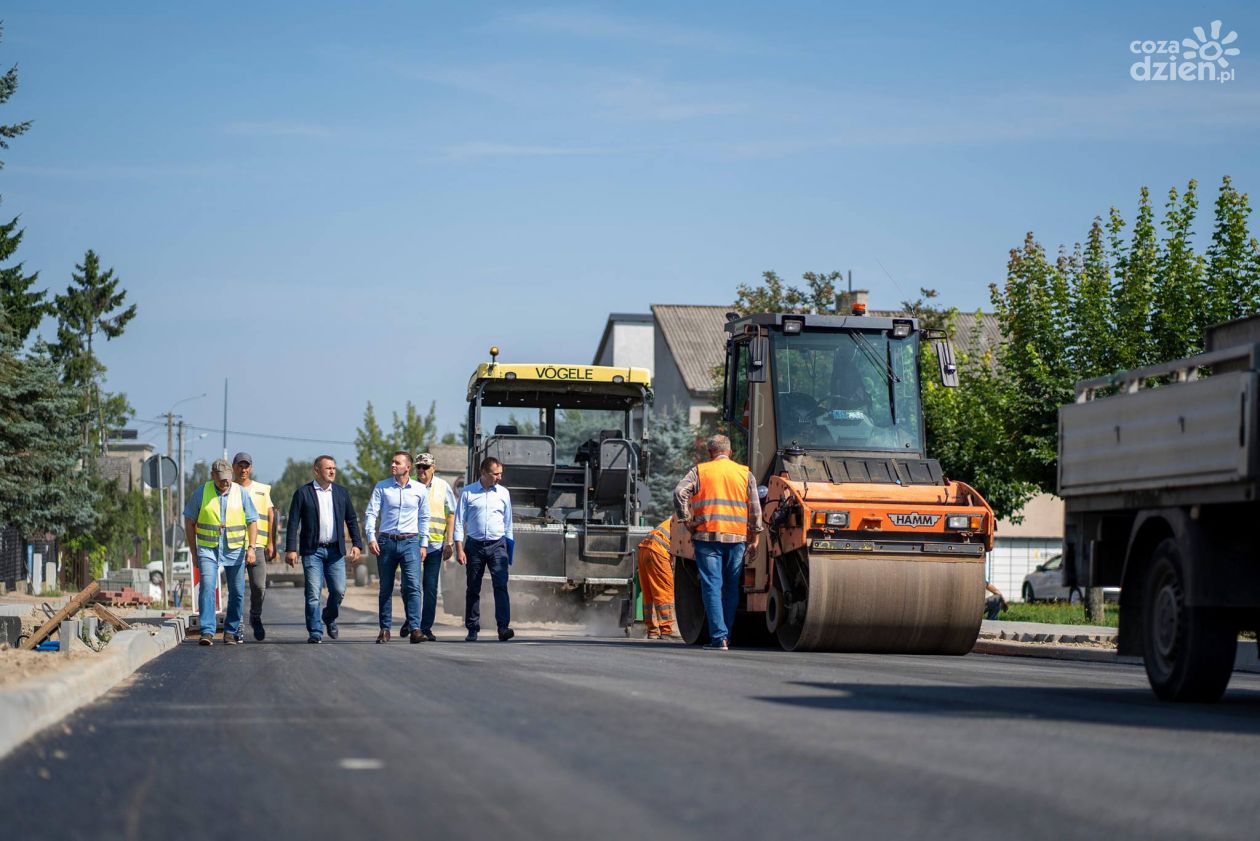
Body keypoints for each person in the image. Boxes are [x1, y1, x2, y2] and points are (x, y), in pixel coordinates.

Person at [673, 434, 763, 651]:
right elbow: (755, 507)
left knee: (712, 586)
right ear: (730, 452)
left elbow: (679, 492)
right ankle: (726, 636)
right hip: (736, 538)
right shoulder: (744, 473)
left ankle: (719, 638)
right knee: (731, 587)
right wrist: (756, 536)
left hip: (707, 537)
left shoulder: (700, 471)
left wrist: (686, 520)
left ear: (710, 453)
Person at [285, 455, 363, 644]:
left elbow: (351, 519)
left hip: (336, 551)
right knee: (313, 593)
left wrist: (357, 544)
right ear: (317, 470)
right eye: (328, 468)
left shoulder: (341, 493)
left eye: (334, 468)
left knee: (338, 590)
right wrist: (291, 549)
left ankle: (328, 616)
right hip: (313, 552)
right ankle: (315, 631)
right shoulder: (303, 493)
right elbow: (293, 522)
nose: (332, 471)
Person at [184, 458, 260, 646]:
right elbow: (189, 522)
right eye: (220, 479)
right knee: (208, 586)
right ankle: (207, 631)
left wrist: (251, 548)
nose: (225, 482)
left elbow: (252, 521)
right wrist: (194, 552)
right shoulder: (202, 492)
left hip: (234, 550)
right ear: (212, 476)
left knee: (237, 592)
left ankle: (230, 632)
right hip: (208, 549)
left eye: (227, 478)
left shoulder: (240, 493)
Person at [364, 451, 430, 644]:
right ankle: (385, 629)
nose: (393, 465)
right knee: (385, 587)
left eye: (397, 463)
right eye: (392, 462)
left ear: (407, 467)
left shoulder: (419, 489)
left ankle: (415, 629)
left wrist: (423, 543)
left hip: (410, 542)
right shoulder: (382, 487)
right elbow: (371, 513)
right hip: (386, 542)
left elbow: (424, 517)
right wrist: (371, 537)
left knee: (413, 586)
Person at [454, 456, 514, 642]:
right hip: (475, 546)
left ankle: (503, 627)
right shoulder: (468, 492)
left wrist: (508, 551)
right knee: (473, 587)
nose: (499, 477)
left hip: (497, 545)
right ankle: (472, 628)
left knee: (500, 586)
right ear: (484, 473)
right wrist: (459, 549)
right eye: (496, 474)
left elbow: (508, 523)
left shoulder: (504, 493)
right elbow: (458, 522)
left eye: (501, 473)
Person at [232, 452, 277, 641]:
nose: (244, 469)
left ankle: (255, 615)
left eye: (247, 466)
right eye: (240, 466)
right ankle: (236, 626)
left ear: (251, 468)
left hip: (257, 546)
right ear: (234, 467)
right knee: (237, 589)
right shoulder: (229, 489)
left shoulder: (261, 489)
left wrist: (271, 542)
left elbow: (271, 514)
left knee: (259, 587)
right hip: (234, 546)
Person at [415, 452, 456, 641]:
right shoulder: (410, 486)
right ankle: (412, 621)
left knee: (430, 587)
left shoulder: (443, 487)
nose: (421, 470)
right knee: (411, 586)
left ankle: (425, 627)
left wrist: (449, 542)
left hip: (435, 544)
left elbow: (451, 514)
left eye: (425, 467)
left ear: (433, 468)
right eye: (419, 467)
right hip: (412, 544)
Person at [637, 516, 677, 639]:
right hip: (658, 550)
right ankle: (666, 629)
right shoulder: (687, 518)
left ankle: (653, 630)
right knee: (664, 591)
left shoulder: (674, 518)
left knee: (648, 593)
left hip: (644, 549)